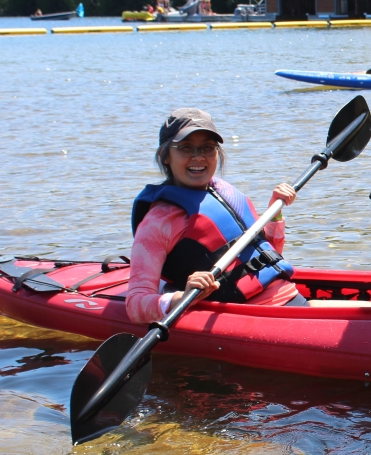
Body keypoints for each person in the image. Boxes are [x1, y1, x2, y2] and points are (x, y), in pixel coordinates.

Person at [126, 108, 302, 324]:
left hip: (290, 298)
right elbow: (135, 305)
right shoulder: (158, 222)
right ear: (165, 156)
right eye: (186, 148)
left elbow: (269, 254)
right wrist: (184, 297)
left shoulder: (224, 191)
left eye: (208, 148)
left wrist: (275, 213)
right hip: (247, 318)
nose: (198, 157)